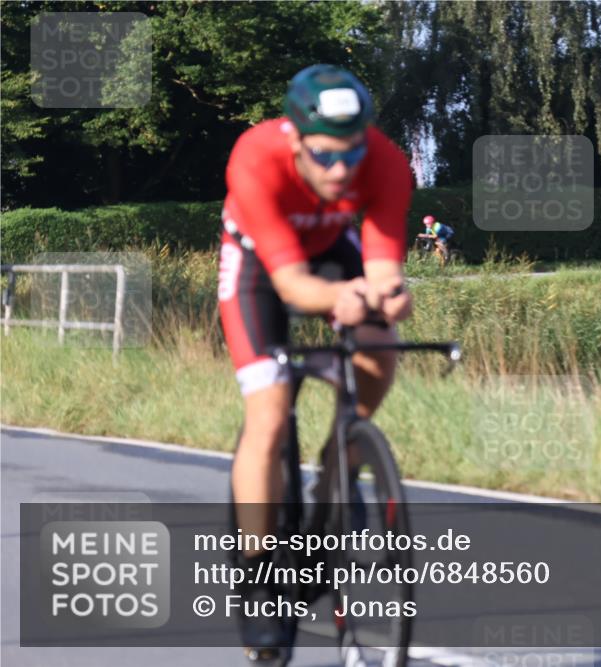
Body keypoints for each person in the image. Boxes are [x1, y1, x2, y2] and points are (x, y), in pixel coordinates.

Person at [217, 64, 413, 665]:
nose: (339, 171)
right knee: (270, 412)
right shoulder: (255, 158)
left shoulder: (384, 162)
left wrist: (390, 294)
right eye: (325, 157)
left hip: (330, 250)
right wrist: (341, 300)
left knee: (380, 345)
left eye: (350, 157)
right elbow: (294, 286)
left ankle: (341, 461)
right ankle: (258, 583)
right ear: (295, 139)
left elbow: (380, 267)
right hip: (260, 267)